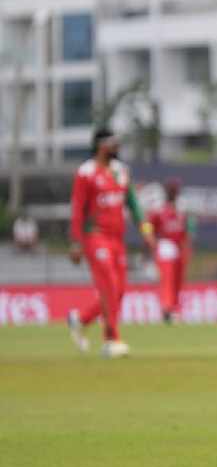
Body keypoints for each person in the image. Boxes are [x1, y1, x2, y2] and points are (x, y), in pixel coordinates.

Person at [66, 127, 154, 358]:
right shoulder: (86, 173)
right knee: (108, 285)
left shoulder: (121, 171)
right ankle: (111, 340)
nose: (117, 147)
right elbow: (77, 210)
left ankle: (80, 320)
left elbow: (133, 204)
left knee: (120, 291)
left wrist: (145, 229)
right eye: (112, 143)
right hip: (95, 236)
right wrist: (75, 242)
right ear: (100, 145)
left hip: (117, 239)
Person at [147, 178, 193, 324]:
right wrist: (151, 240)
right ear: (167, 192)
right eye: (171, 190)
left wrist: (186, 247)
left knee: (178, 280)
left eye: (175, 190)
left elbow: (187, 229)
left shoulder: (181, 209)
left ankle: (175, 309)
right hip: (165, 245)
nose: (174, 193)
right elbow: (149, 225)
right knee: (167, 278)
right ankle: (166, 308)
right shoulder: (159, 208)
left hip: (179, 246)